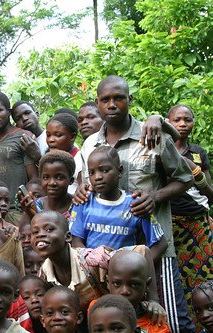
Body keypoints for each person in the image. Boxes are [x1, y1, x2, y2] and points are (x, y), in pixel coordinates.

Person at [76, 75, 194, 333]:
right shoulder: (89, 144)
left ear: (129, 99)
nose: (112, 104)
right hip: (109, 259)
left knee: (171, 320)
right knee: (118, 323)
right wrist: (81, 191)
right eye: (105, 100)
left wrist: (155, 196)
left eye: (118, 97)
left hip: (155, 249)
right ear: (97, 103)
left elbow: (185, 179)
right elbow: (86, 189)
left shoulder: (151, 134)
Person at [31, 211, 164, 318]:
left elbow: (143, 251)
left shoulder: (94, 259)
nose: (40, 235)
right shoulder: (43, 274)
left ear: (68, 237)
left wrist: (153, 300)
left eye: (49, 229)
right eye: (35, 232)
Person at [70, 146, 168, 263]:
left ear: (120, 171)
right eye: (91, 173)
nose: (97, 177)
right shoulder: (84, 202)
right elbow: (76, 241)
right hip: (91, 274)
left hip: (124, 277)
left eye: (105, 170)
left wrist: (138, 267)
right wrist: (91, 263)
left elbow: (161, 244)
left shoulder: (134, 204)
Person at [166, 104, 213, 311]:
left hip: (199, 226)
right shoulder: (160, 151)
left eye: (187, 119)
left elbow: (209, 194)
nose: (183, 124)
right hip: (171, 227)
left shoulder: (198, 153)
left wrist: (196, 174)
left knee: (204, 276)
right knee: (174, 279)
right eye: (177, 120)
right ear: (168, 123)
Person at [0, 91, 37, 224]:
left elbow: (33, 177)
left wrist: (28, 209)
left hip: (19, 210)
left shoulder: (23, 136)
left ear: (8, 112)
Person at [104, 251, 171, 332]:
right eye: (117, 283)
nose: (124, 291)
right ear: (108, 282)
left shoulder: (155, 324)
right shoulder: (96, 311)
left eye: (134, 285)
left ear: (147, 285)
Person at [20, 150, 75, 222]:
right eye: (46, 177)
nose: (52, 183)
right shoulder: (36, 206)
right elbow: (24, 231)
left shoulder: (77, 205)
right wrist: (30, 214)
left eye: (59, 177)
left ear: (71, 180)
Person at [46, 112, 81, 195]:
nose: (51, 139)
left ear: (72, 137)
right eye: (48, 135)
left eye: (57, 135)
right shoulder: (49, 159)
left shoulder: (79, 160)